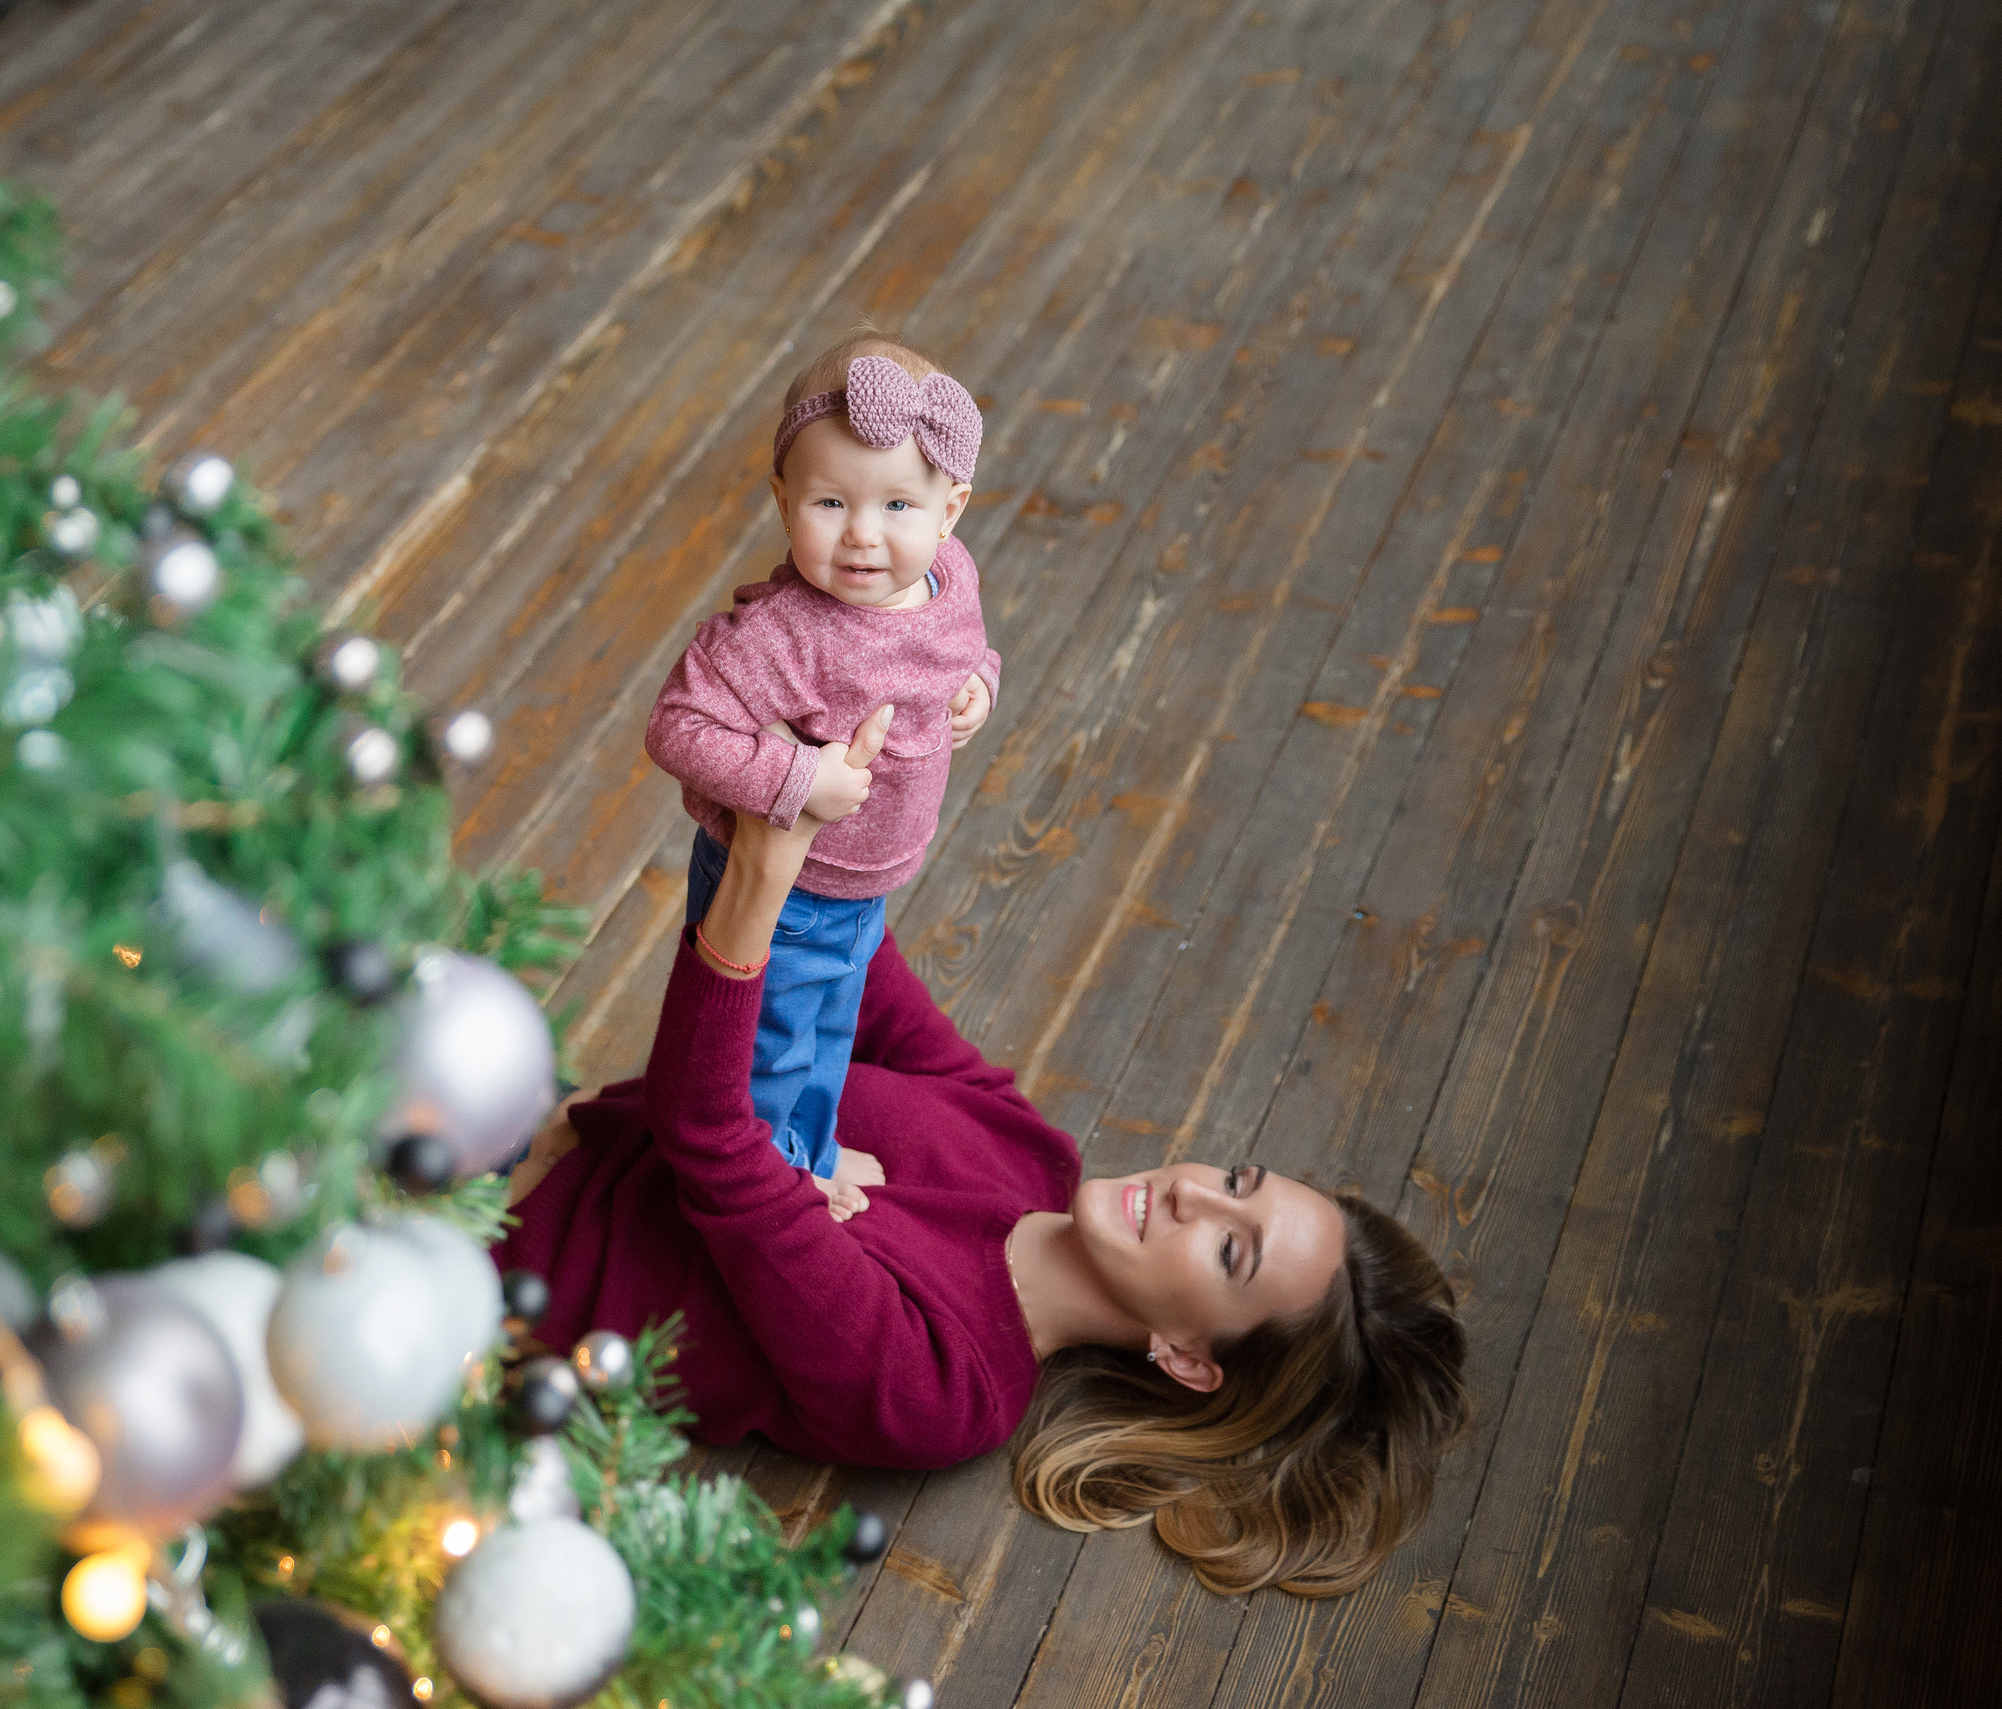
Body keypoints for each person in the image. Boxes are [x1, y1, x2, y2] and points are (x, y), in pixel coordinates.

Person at [497, 714, 1470, 1596]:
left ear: (1186, 1358)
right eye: (1235, 1181)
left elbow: (709, 1135)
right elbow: (853, 972)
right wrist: (859, 753)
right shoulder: (1029, 1150)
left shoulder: (948, 1388)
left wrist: (758, 873)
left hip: (466, 1259)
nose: (1191, 1193)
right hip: (510, 1093)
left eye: (1230, 1250)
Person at [643, 333, 1001, 1218]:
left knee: (830, 1030)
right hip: (787, 887)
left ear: (949, 510)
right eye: (831, 502)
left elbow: (968, 647)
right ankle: (775, 1177)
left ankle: (815, 1145)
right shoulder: (784, 637)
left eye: (897, 506)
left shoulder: (949, 576)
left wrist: (979, 688)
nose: (864, 535)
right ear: (782, 498)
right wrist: (796, 777)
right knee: (771, 1043)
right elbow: (674, 726)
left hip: (866, 882)